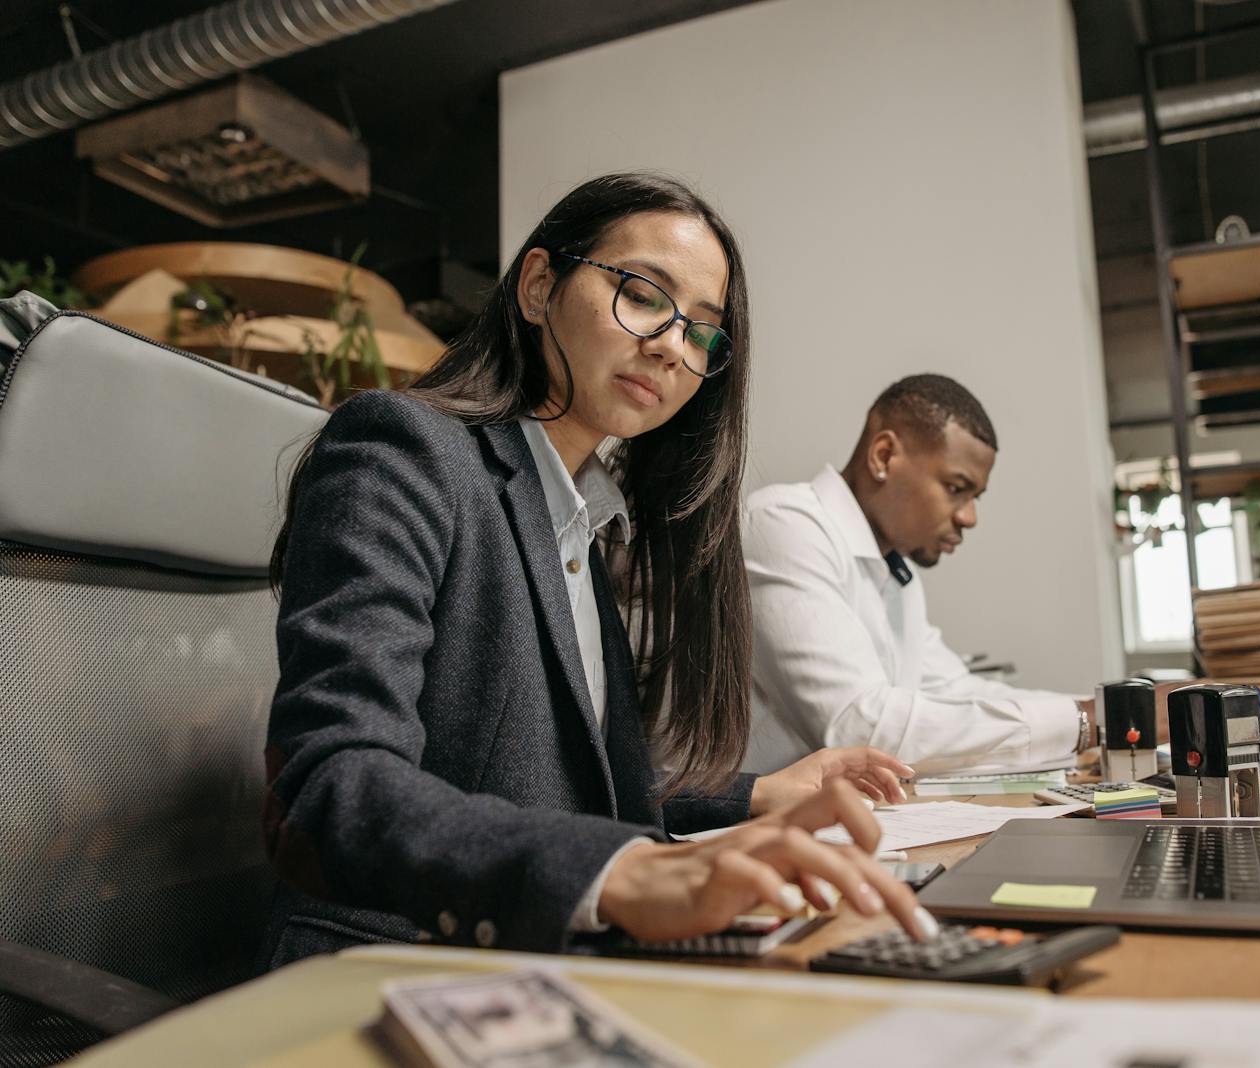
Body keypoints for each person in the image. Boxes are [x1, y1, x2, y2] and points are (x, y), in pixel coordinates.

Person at [260, 173, 934, 969]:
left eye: (702, 332)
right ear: (541, 285)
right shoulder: (402, 452)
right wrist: (620, 871)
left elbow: (557, 783)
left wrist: (757, 795)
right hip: (396, 965)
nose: (671, 347)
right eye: (645, 294)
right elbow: (335, 784)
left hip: (541, 959)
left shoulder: (588, 516)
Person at [742, 374, 1095, 776]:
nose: (969, 517)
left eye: (974, 497)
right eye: (956, 488)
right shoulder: (785, 525)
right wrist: (1086, 721)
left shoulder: (896, 572)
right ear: (884, 455)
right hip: (729, 830)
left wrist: (1107, 709)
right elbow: (858, 728)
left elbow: (958, 692)